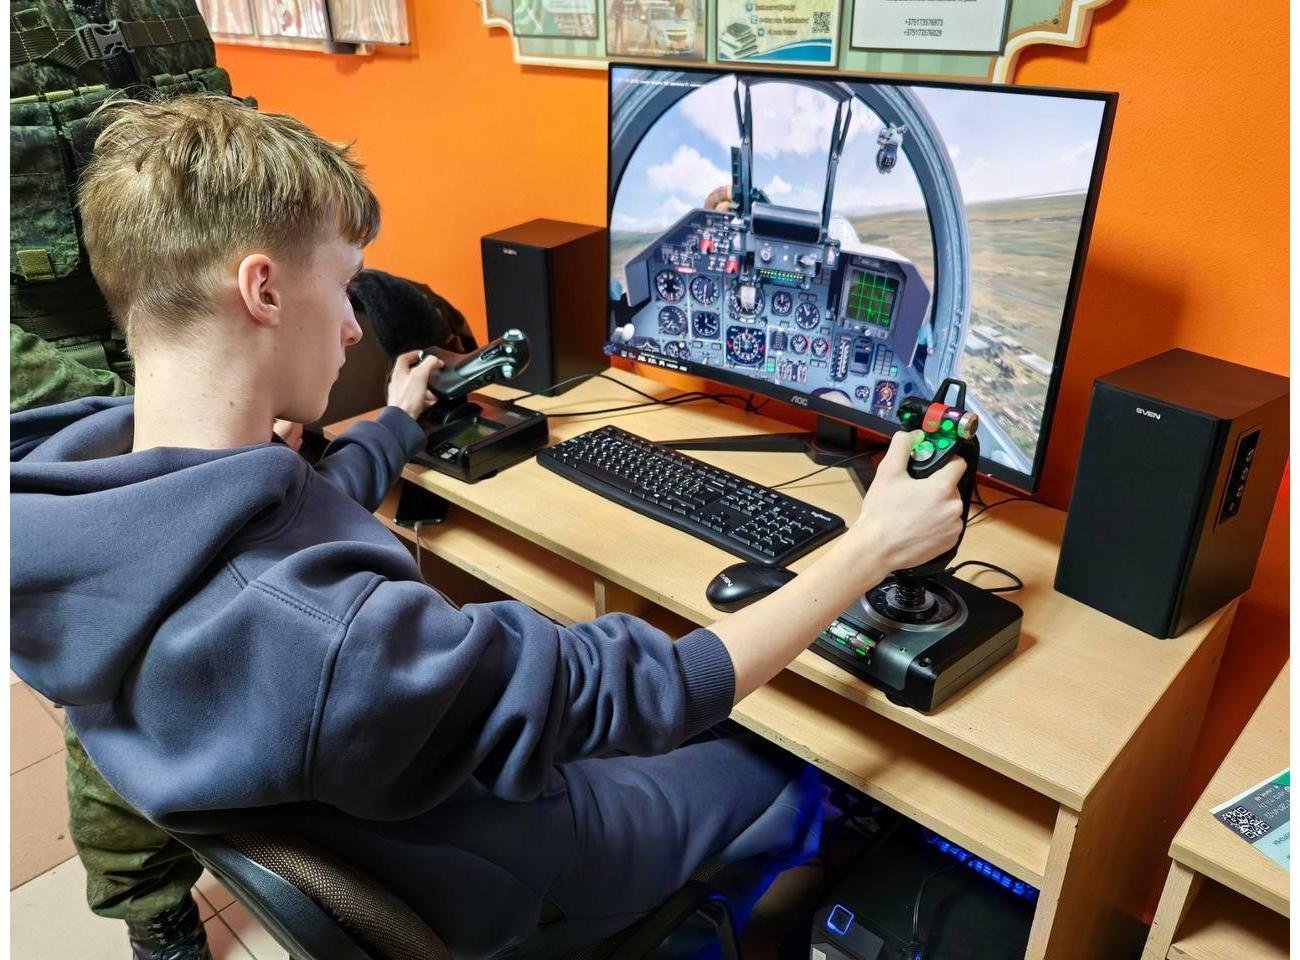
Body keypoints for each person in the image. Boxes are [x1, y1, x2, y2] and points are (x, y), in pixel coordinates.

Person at [10, 95, 965, 958]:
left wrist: (396, 420)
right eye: (343, 285)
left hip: (411, 830)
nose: (352, 325)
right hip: (532, 866)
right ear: (261, 290)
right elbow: (654, 689)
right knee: (782, 748)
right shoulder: (330, 642)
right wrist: (871, 544)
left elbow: (285, 505)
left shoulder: (85, 489)